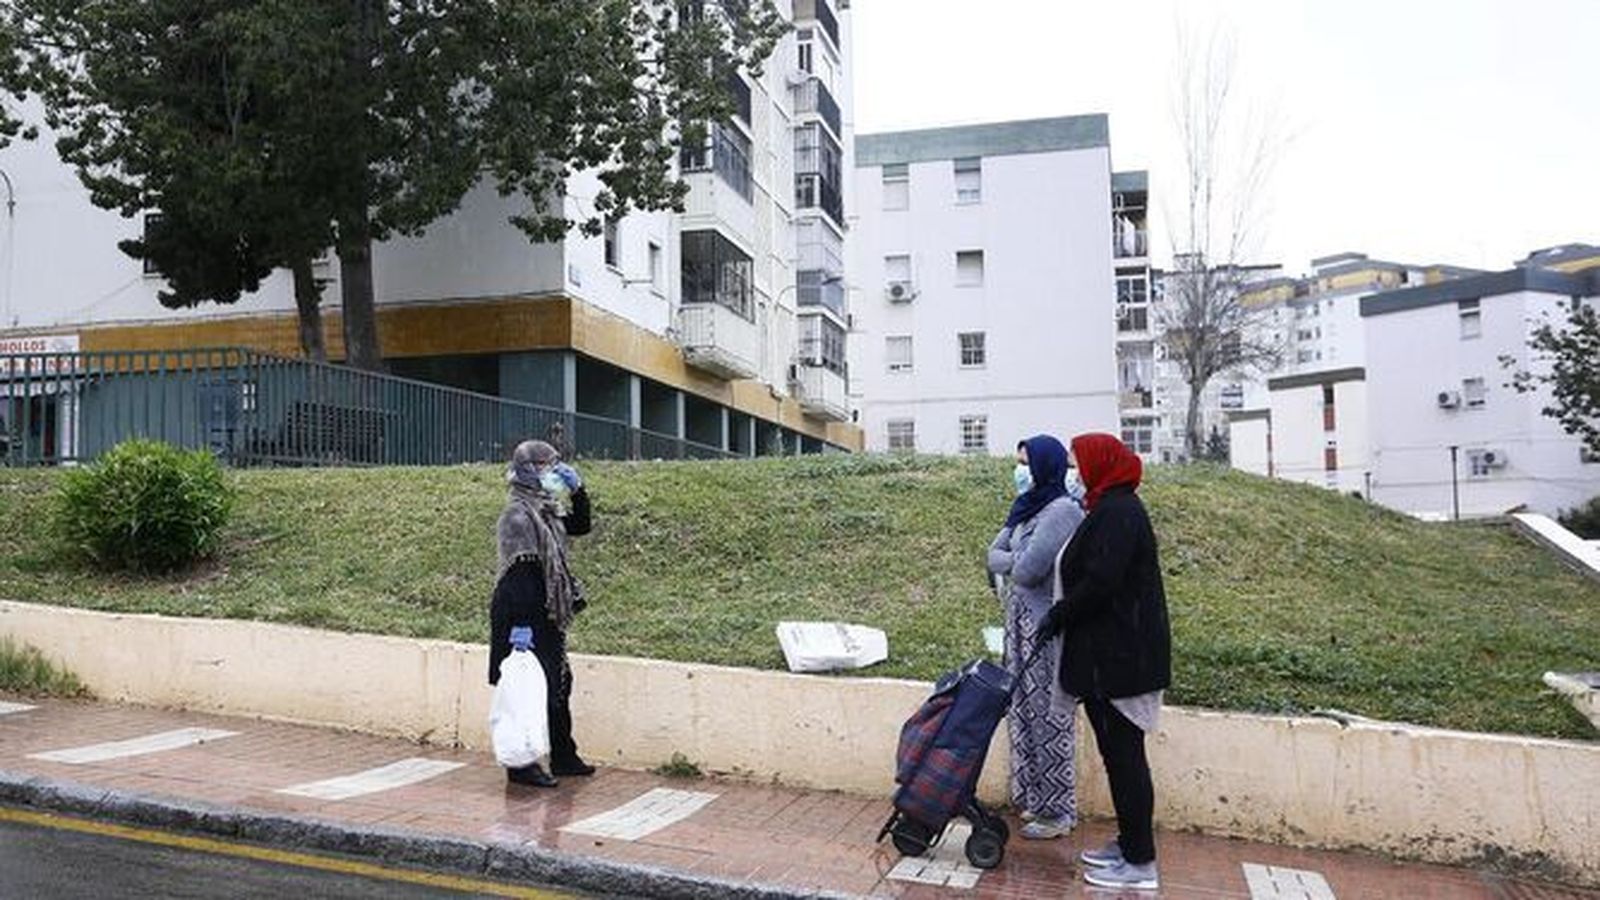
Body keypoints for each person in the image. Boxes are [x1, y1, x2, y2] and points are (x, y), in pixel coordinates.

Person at [1037, 433, 1171, 892]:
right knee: (1118, 759)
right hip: (1110, 659)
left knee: (1126, 759)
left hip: (1122, 662)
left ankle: (1140, 862)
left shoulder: (1118, 513)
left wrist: (1059, 614)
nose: (1075, 472)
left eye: (1079, 463)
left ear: (1098, 464)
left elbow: (1101, 581)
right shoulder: (1110, 508)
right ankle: (1130, 843)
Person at [985, 435, 1084, 840]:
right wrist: (1013, 560)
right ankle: (1035, 800)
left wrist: (1011, 561)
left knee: (1050, 717)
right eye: (1017, 461)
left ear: (1046, 465)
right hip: (1018, 628)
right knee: (1023, 713)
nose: (1020, 470)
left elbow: (1027, 571)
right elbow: (993, 553)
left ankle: (1059, 811)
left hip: (1045, 632)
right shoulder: (1027, 509)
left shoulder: (1062, 512)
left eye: (1026, 462)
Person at [490, 439, 595, 787]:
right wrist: (522, 629)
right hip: (522, 611)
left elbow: (581, 524)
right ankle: (521, 766)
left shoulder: (546, 510)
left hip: (545, 608)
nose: (554, 472)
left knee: (559, 683)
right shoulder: (517, 515)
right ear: (528, 470)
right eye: (547, 466)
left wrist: (578, 490)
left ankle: (564, 755)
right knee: (530, 687)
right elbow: (519, 574)